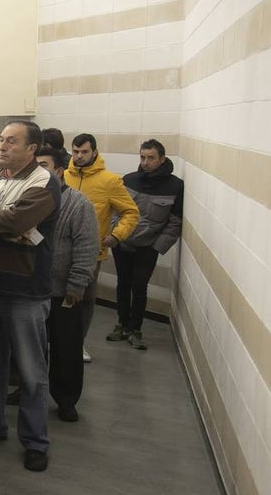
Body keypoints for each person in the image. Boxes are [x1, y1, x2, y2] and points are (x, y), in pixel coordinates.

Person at [0, 120, 59, 473]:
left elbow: (16, 223)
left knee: (30, 372)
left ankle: (35, 441)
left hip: (26, 290)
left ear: (32, 149)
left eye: (11, 142)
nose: (2, 147)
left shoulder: (44, 183)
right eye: (2, 141)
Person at [36, 147, 98, 421]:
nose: (38, 171)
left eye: (44, 165)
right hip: (33, 289)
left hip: (63, 291)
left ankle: (66, 399)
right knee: (33, 346)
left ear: (59, 171)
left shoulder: (78, 204)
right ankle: (29, 389)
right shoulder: (32, 199)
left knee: (66, 349)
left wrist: (76, 287)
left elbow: (86, 248)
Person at [63, 133, 140, 350]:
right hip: (59, 248)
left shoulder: (109, 181)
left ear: (94, 152)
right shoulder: (63, 176)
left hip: (91, 252)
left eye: (84, 152)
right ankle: (58, 341)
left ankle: (78, 344)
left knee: (84, 299)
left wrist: (117, 236)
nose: (79, 156)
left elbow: (131, 212)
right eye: (76, 151)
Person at [111, 139, 184, 350]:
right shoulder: (129, 180)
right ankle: (121, 324)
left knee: (139, 286)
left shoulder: (175, 186)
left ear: (162, 159)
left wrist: (157, 247)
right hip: (123, 242)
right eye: (142, 157)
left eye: (151, 158)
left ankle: (136, 329)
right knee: (123, 284)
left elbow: (175, 222)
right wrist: (116, 234)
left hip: (147, 247)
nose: (145, 162)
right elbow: (116, 209)